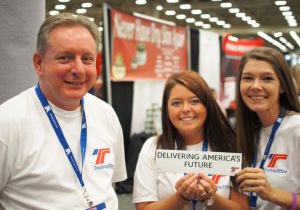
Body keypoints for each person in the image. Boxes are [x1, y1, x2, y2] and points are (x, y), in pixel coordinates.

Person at [0, 13, 127, 210]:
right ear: (38, 63)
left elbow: (107, 185)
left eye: (87, 59)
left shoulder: (106, 114)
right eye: (64, 58)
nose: (78, 69)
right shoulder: (7, 122)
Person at [133, 70, 249, 210]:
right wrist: (180, 198)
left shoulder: (230, 145)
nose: (186, 109)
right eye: (176, 103)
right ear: (167, 109)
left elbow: (242, 208)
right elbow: (143, 208)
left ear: (207, 105)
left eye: (194, 101)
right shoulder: (153, 147)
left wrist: (211, 198)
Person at [234, 47, 300, 210]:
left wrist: (271, 193)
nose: (256, 86)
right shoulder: (246, 132)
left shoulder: (297, 129)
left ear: (283, 86)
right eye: (248, 78)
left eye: (267, 78)